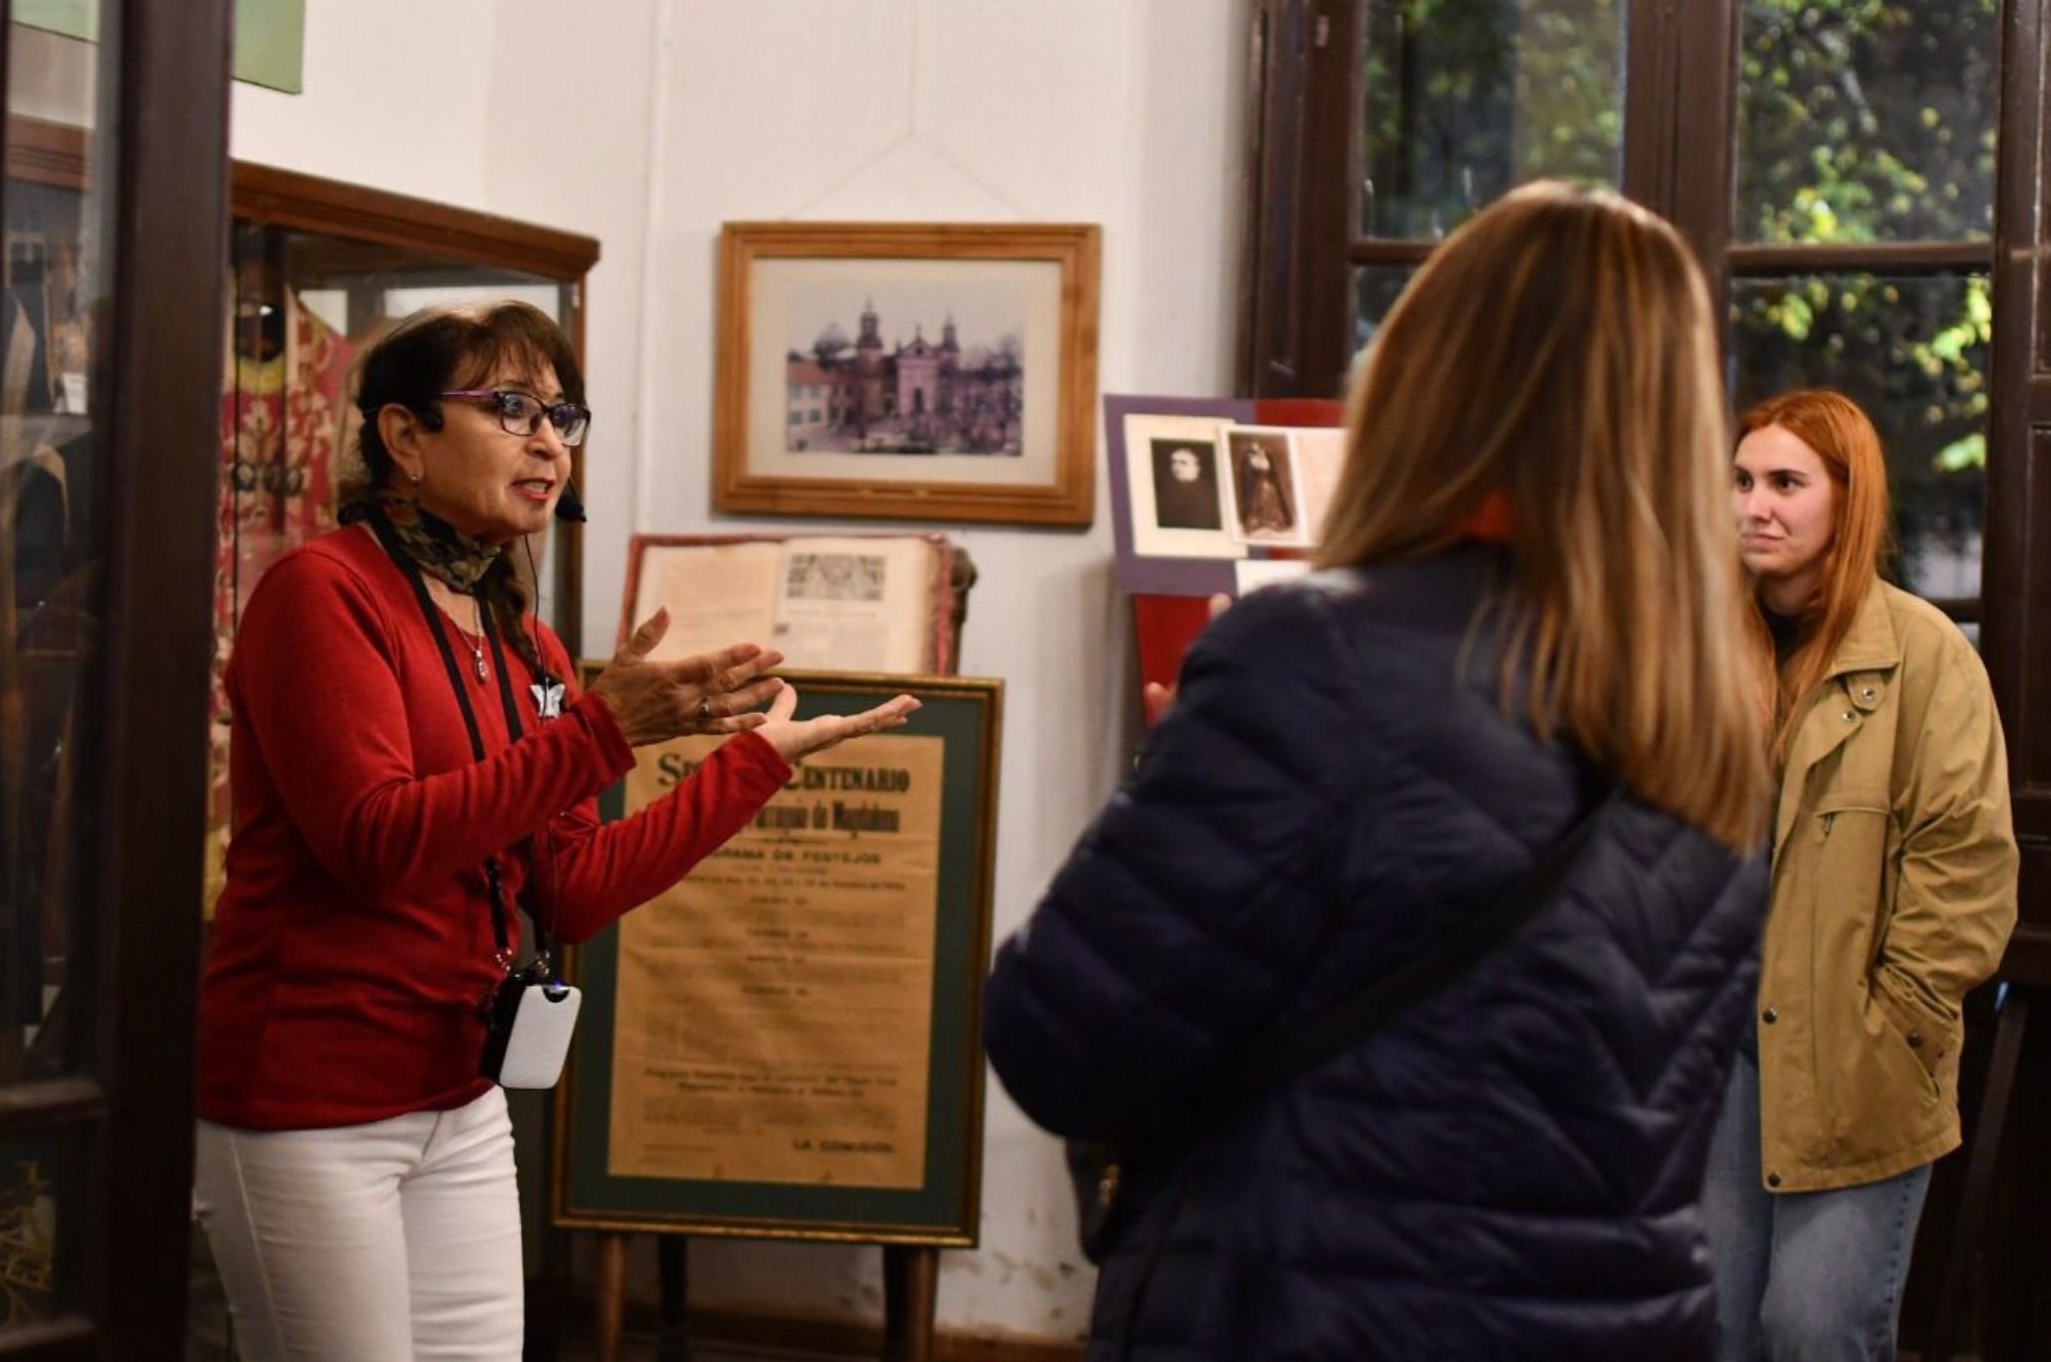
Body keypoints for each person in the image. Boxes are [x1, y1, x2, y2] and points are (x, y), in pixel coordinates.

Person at [984, 181, 1776, 1361]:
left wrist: (1174, 785)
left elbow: (1062, 1039)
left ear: (1427, 383)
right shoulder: (1707, 732)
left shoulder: (1320, 656)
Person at [193, 300, 917, 1362]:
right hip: (312, 1103)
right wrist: (604, 730)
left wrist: (751, 768)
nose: (548, 443)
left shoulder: (520, 636)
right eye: (512, 408)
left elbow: (569, 889)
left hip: (462, 1093)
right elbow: (374, 841)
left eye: (561, 416)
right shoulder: (322, 594)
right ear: (404, 437)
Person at [1703, 388, 2018, 1362]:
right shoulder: (1701, 646)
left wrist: (1898, 1022)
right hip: (1713, 1059)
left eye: (1786, 484)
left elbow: (1965, 869)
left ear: (1848, 500)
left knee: (1814, 1332)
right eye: (1742, 480)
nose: (1754, 505)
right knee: (1706, 1331)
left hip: (1855, 1060)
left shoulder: (1922, 655)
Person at [1150, 441, 1223, 531]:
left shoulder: (1211, 493)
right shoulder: (1163, 492)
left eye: (1183, 463)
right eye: (1173, 462)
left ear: (1196, 467)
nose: (1176, 466)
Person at [1233, 437, 1294, 536]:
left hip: (1267, 483)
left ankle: (1272, 521)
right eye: (1254, 449)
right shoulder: (1249, 459)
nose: (1257, 450)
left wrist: (1263, 462)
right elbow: (1249, 473)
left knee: (1270, 497)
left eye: (1258, 448)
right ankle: (1257, 522)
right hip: (1255, 486)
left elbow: (1268, 468)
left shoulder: (1265, 457)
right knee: (1256, 501)